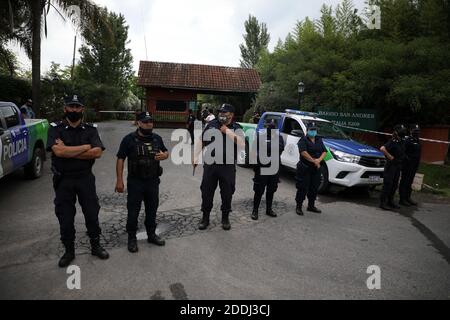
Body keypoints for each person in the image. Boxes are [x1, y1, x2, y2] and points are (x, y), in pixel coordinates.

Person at [47, 94, 109, 268]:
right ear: (65, 108)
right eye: (71, 106)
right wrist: (85, 147)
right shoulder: (55, 129)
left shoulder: (91, 129)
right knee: (65, 216)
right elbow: (58, 153)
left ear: (82, 109)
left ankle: (96, 246)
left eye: (77, 107)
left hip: (85, 179)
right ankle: (69, 251)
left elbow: (97, 152)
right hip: (63, 180)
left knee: (92, 213)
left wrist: (67, 149)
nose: (74, 109)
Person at [115, 111, 170, 253]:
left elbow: (166, 153)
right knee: (133, 211)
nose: (149, 124)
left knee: (152, 210)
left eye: (150, 121)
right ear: (138, 123)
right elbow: (120, 158)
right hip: (135, 182)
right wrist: (119, 180)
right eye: (145, 121)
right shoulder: (128, 139)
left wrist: (165, 155)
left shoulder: (157, 138)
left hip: (152, 181)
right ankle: (132, 238)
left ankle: (151, 234)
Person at [193, 103, 245, 230]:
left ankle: (225, 218)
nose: (221, 114)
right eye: (220, 112)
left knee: (227, 193)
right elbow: (202, 140)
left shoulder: (237, 127)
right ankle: (205, 218)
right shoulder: (212, 124)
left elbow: (242, 144)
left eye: (224, 112)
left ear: (231, 115)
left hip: (227, 167)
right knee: (206, 192)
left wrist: (227, 131)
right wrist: (195, 156)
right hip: (211, 165)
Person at [251, 119, 284, 220]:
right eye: (269, 126)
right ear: (266, 126)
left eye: (273, 126)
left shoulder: (279, 137)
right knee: (259, 190)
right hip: (262, 167)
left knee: (271, 190)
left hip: (274, 168)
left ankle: (269, 209)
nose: (271, 128)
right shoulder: (260, 136)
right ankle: (255, 210)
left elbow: (280, 148)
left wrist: (267, 147)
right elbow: (254, 150)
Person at [295, 122, 327, 215]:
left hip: (316, 168)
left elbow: (324, 151)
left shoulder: (318, 139)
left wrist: (319, 160)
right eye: (311, 130)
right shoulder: (303, 140)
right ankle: (299, 206)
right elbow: (303, 152)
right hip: (305, 168)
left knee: (314, 188)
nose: (313, 131)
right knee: (302, 188)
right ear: (307, 130)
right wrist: (314, 161)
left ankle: (311, 206)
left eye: (314, 129)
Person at [379, 124, 407, 210]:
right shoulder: (393, 141)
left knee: (394, 185)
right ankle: (383, 203)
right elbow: (382, 148)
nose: (403, 132)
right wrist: (390, 156)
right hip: (391, 166)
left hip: (398, 166)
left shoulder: (402, 141)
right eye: (401, 130)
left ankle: (390, 201)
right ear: (396, 132)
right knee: (388, 184)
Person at [399, 124, 421, 206]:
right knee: (404, 182)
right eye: (415, 131)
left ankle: (408, 197)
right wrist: (407, 161)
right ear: (411, 131)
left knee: (410, 182)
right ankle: (402, 199)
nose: (417, 132)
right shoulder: (408, 140)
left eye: (418, 131)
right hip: (407, 166)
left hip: (414, 166)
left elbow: (418, 154)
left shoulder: (417, 140)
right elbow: (403, 152)